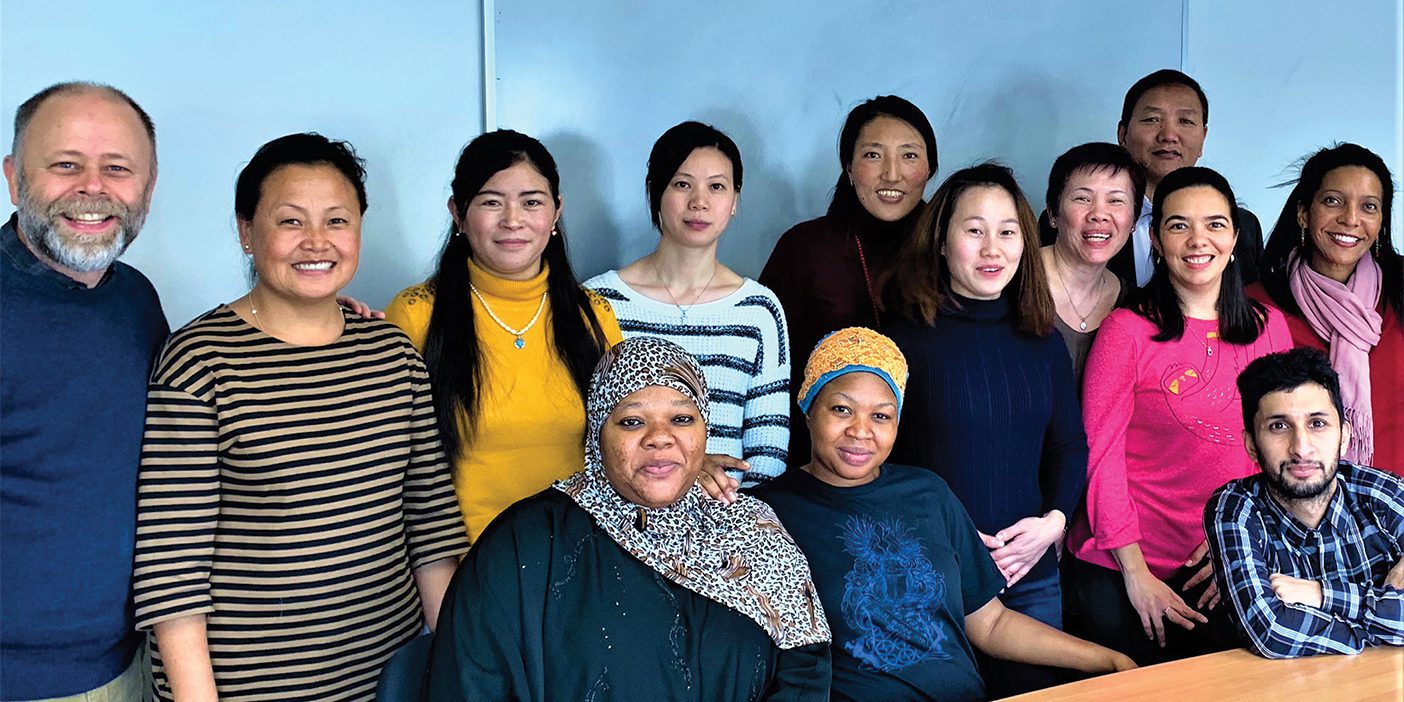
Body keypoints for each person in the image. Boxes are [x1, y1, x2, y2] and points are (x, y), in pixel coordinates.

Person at [131, 133, 468, 701]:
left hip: (388, 678)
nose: (317, 242)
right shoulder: (200, 360)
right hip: (244, 686)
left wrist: (457, 674)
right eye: (290, 222)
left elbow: (430, 530)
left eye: (337, 221)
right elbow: (172, 567)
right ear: (246, 232)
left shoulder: (392, 353)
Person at [424, 337, 832, 701]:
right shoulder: (528, 542)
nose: (660, 436)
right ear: (598, 434)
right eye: (632, 421)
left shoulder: (751, 530)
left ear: (704, 431)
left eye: (682, 418)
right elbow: (471, 680)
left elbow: (805, 668)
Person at [754, 327, 1135, 702]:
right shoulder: (766, 513)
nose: (860, 431)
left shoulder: (928, 493)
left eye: (881, 416)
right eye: (841, 409)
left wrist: (1107, 659)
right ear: (807, 409)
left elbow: (991, 623)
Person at [1066, 166, 1293, 666]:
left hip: (1225, 557)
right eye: (1177, 225)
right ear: (1154, 238)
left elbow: (1280, 447)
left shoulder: (1269, 327)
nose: (1198, 240)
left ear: (1234, 237)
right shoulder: (1125, 330)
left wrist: (1239, 542)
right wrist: (1134, 572)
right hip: (1124, 559)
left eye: (1214, 224)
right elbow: (1100, 454)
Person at [882, 164, 1086, 696]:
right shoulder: (901, 339)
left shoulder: (1043, 342)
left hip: (1029, 572)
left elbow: (1069, 445)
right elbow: (877, 463)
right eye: (974, 230)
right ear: (942, 241)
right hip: (933, 571)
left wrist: (1053, 525)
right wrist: (940, 535)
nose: (992, 247)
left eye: (1008, 231)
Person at [1, 82, 167, 702]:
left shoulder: (134, 298)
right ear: (16, 179)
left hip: (135, 661)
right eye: (65, 164)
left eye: (117, 169)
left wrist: (319, 318)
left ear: (147, 189)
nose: (93, 188)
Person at [386, 130, 623, 543]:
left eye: (532, 202)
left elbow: (626, 441)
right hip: (459, 573)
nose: (513, 220)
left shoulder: (594, 316)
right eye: (491, 202)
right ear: (458, 213)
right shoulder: (415, 314)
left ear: (556, 213)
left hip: (574, 562)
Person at [586, 121, 789, 487]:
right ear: (655, 192)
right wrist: (682, 474)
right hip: (622, 522)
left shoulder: (760, 310)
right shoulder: (600, 302)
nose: (699, 202)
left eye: (716, 186)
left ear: (734, 201)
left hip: (729, 524)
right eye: (682, 184)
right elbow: (587, 440)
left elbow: (769, 454)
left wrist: (727, 518)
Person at [760, 95, 938, 465]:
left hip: (930, 462)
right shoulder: (804, 248)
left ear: (931, 168)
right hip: (823, 465)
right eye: (873, 155)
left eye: (909, 155)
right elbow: (769, 375)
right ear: (849, 166)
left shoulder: (953, 250)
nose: (892, 174)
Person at [1206, 347, 1404, 658]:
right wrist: (1383, 626)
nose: (1301, 448)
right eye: (1278, 426)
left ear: (1345, 437)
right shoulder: (1235, 509)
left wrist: (1321, 595)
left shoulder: (1383, 494)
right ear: (1252, 445)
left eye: (1317, 424)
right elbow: (1270, 631)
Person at [1249, 143, 1402, 475]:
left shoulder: (1400, 295)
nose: (1350, 219)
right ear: (1304, 212)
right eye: (1333, 201)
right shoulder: (1256, 307)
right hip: (1292, 512)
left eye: (1369, 207)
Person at [1106, 69, 1265, 286]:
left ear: (1203, 137)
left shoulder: (1244, 226)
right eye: (1152, 119)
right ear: (1123, 134)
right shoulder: (1084, 220)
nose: (1169, 135)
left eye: (1186, 121)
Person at [1039, 142, 1145, 385]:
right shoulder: (1012, 279)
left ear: (1134, 220)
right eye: (1082, 198)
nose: (1099, 213)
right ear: (1053, 213)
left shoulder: (1135, 305)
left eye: (1116, 201)